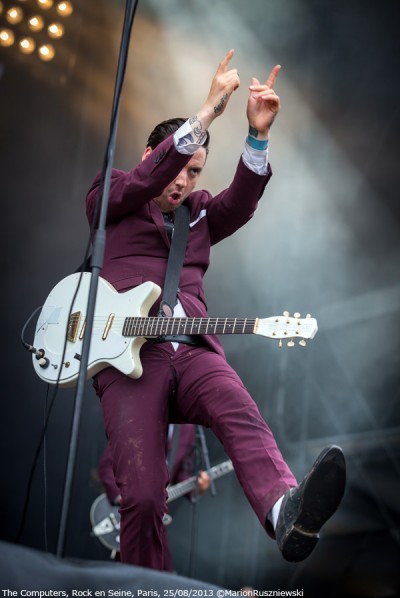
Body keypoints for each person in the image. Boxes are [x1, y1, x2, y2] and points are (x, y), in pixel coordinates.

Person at [86, 49, 346, 570]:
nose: (183, 181)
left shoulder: (199, 215)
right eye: (176, 167)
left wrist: (257, 136)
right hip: (127, 359)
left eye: (195, 172)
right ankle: (148, 584)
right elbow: (142, 182)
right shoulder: (113, 196)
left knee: (240, 411)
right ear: (151, 155)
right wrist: (205, 112)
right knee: (140, 496)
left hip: (192, 352)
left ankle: (284, 511)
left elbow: (240, 202)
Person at [97, 424, 210, 570]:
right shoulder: (137, 414)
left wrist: (198, 487)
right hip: (130, 512)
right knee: (126, 574)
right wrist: (122, 497)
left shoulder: (186, 428)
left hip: (157, 516)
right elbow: (107, 466)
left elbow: (180, 473)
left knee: (163, 575)